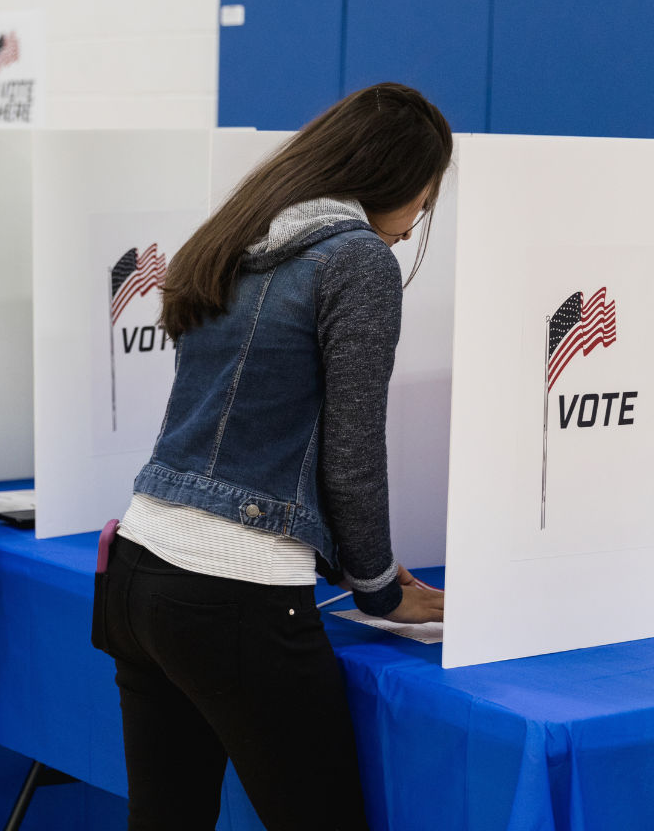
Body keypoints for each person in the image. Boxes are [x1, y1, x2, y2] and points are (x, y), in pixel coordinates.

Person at [94, 83, 451, 831]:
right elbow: (353, 449)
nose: (419, 222)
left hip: (136, 571)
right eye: (425, 197)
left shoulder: (236, 235)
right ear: (391, 176)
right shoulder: (356, 261)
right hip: (234, 594)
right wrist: (379, 589)